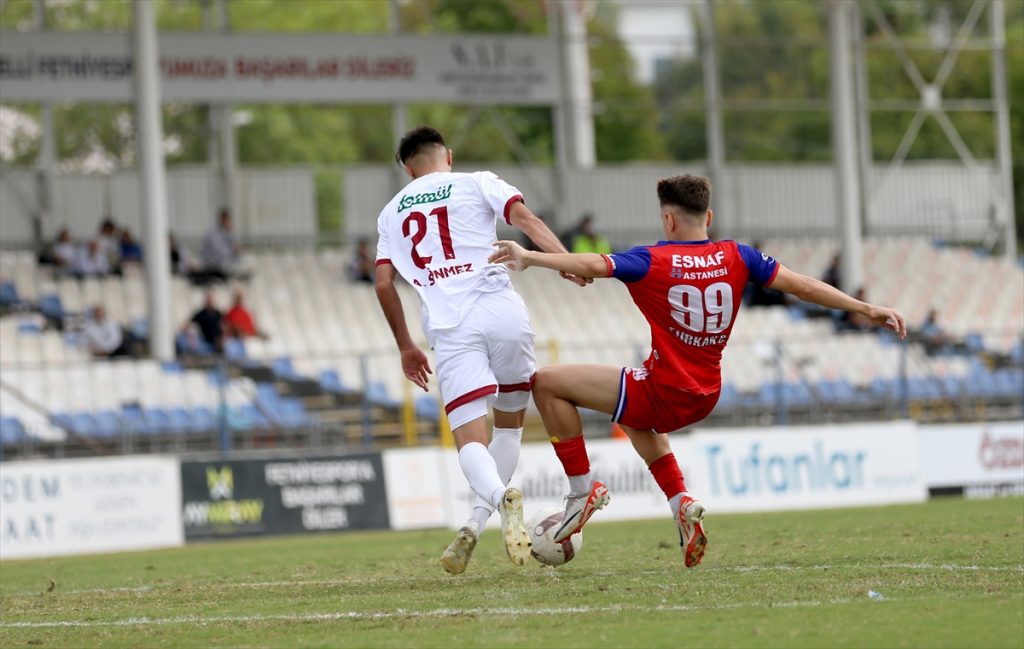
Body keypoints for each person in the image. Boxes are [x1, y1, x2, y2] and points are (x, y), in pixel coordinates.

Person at [488, 174, 906, 569]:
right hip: (705, 393)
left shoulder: (652, 259)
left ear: (668, 219)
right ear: (708, 217)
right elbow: (802, 285)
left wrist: (530, 256)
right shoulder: (739, 256)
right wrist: (865, 307)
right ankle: (680, 502)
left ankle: (581, 494)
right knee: (632, 412)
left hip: (664, 390)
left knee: (545, 384)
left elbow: (595, 265)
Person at [374, 126, 587, 575]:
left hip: (450, 326)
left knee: (470, 440)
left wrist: (406, 347)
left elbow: (383, 283)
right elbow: (526, 220)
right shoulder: (477, 180)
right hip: (501, 308)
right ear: (447, 156)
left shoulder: (391, 212)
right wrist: (565, 260)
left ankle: (496, 501)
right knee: (508, 428)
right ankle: (474, 522)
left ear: (409, 170)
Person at [200, 209, 241, 281]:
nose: (227, 222)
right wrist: (232, 249)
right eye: (225, 220)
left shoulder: (229, 232)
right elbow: (219, 252)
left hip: (224, 265)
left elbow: (236, 250)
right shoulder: (213, 233)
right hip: (213, 266)